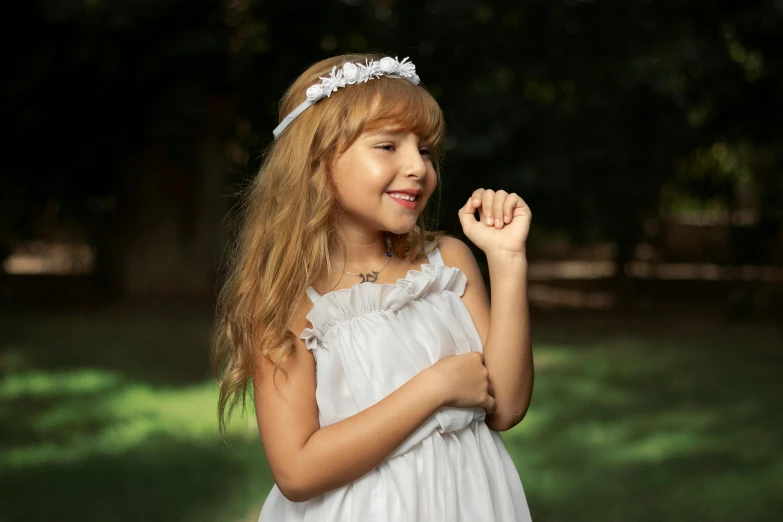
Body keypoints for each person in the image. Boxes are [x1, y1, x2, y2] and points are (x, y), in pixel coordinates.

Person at [213, 53, 534, 521]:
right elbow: (297, 471)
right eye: (388, 146)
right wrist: (435, 387)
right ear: (318, 162)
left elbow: (505, 407)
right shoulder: (287, 298)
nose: (418, 167)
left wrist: (506, 262)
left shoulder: (446, 263)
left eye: (425, 150)